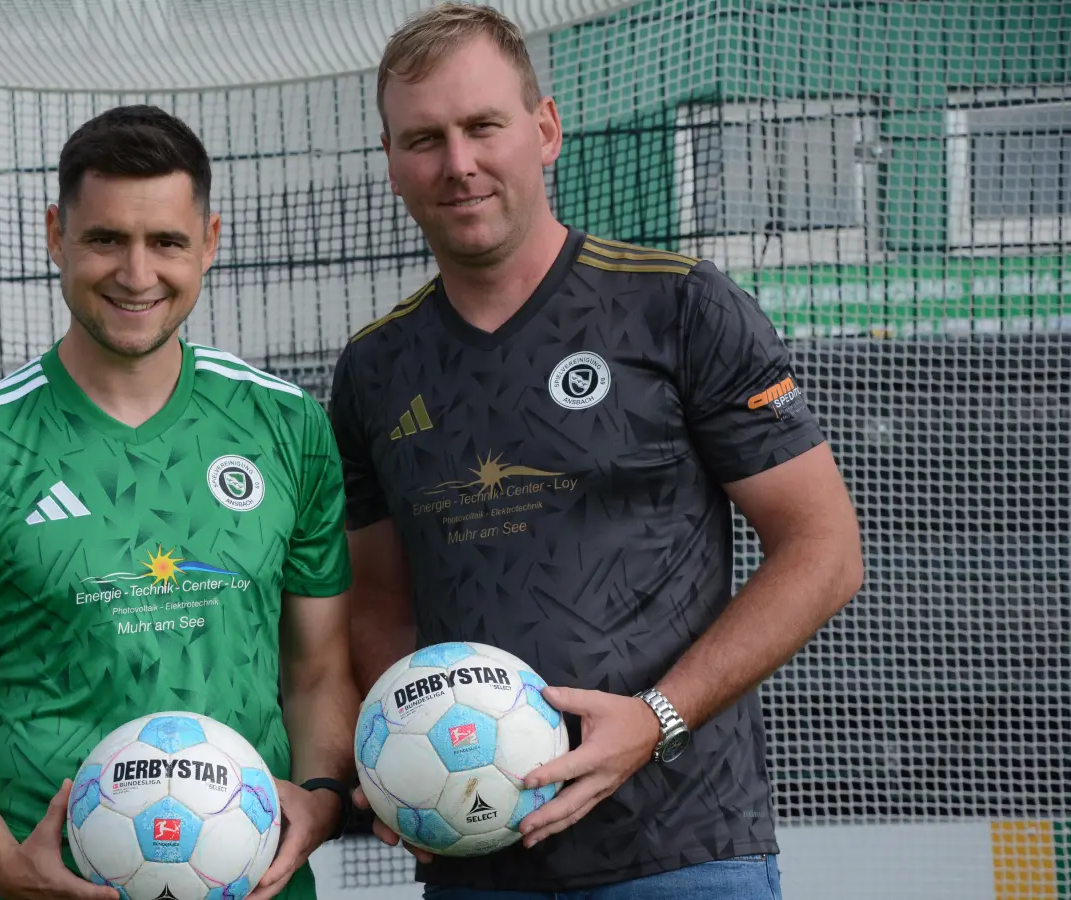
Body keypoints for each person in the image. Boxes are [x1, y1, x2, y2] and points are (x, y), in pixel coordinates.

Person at [330, 5, 864, 898]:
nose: (457, 165)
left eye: (482, 127)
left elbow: (824, 550)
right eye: (423, 139)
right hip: (481, 863)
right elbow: (380, 608)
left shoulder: (680, 308)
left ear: (545, 131)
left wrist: (656, 720)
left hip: (687, 849)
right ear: (391, 164)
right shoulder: (375, 370)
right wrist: (397, 762)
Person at [0, 104, 359, 900]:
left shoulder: (288, 427)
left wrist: (319, 798)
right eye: (106, 239)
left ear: (209, 243)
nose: (137, 275)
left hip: (252, 885)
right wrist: (3, 867)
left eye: (167, 242)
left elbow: (319, 671)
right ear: (55, 236)